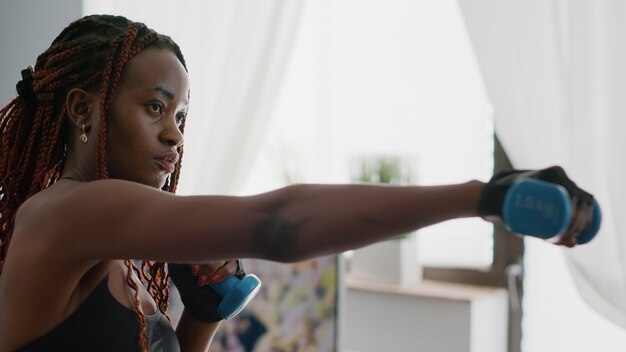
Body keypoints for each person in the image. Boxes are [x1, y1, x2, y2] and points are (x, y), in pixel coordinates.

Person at [0, 14, 595, 352]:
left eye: (180, 116)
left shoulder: (118, 255)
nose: (175, 138)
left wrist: (202, 316)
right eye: (155, 108)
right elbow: (276, 224)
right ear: (83, 110)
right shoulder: (65, 214)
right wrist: (481, 196)